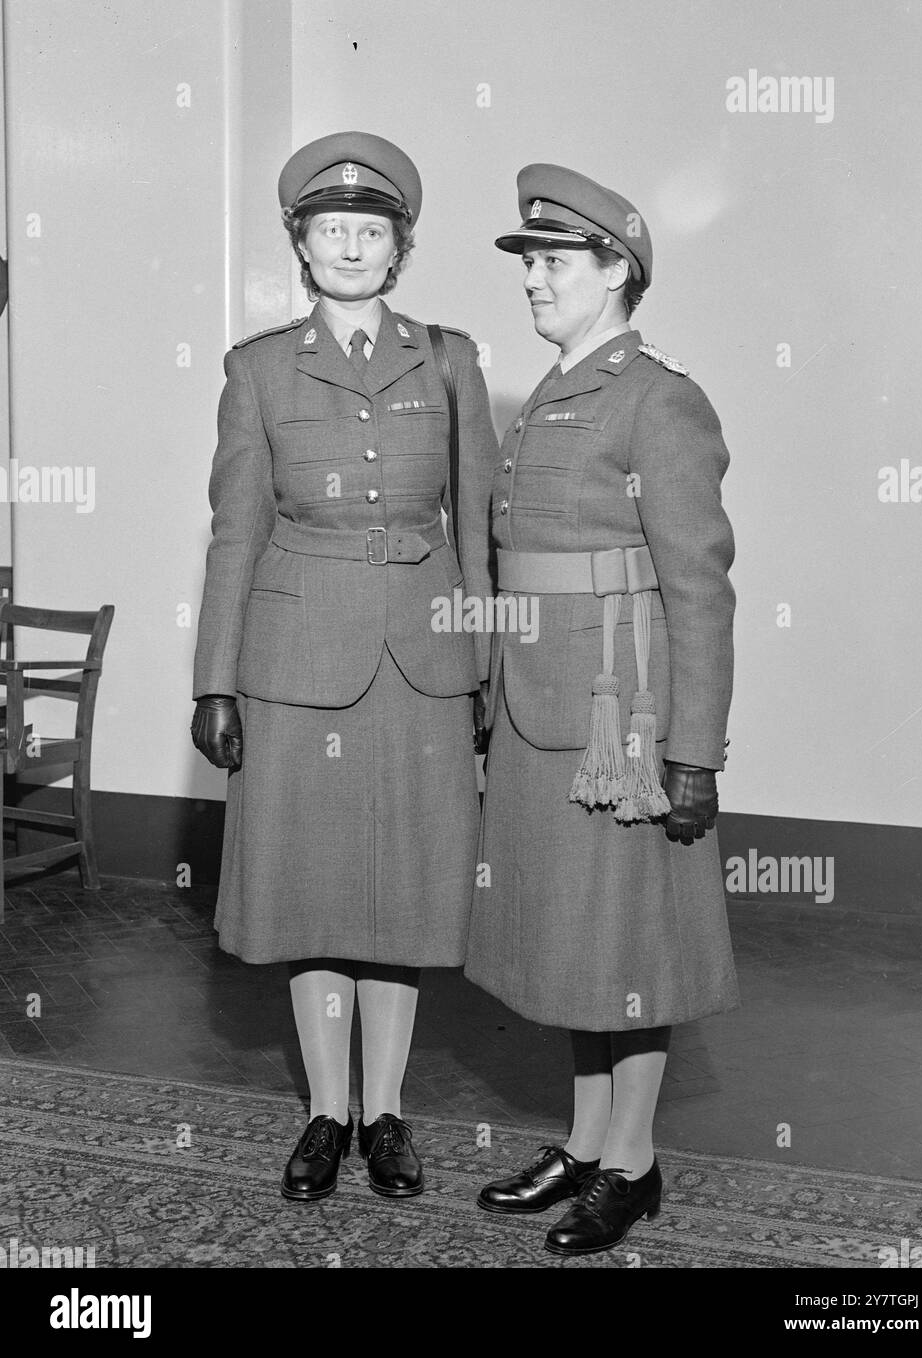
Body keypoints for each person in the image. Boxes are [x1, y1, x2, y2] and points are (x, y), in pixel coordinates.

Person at [191, 131, 494, 1204]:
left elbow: (481, 527)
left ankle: (388, 1112)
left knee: (401, 897)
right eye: (332, 231)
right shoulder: (259, 368)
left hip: (420, 663)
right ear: (304, 247)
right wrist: (214, 678)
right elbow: (235, 531)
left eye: (372, 231)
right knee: (313, 895)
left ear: (398, 248)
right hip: (294, 663)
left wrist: (488, 673)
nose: (352, 246)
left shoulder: (450, 360)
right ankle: (326, 1110)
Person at [465, 164, 739, 1256]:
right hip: (544, 710)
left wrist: (693, 751)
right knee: (575, 941)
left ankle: (632, 1164)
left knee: (630, 943)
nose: (532, 279)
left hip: (619, 726)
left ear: (618, 269)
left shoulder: (659, 398)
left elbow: (701, 586)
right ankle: (583, 1142)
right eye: (528, 260)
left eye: (553, 261)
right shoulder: (554, 390)